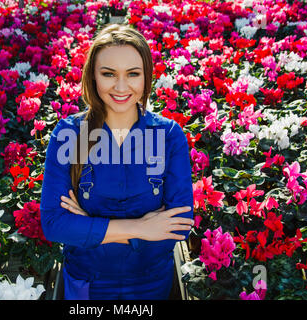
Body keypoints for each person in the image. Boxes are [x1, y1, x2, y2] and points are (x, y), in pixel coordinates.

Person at [40, 24, 194, 300]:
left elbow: (180, 223)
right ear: (93, 77)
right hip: (88, 282)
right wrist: (141, 228)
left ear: (146, 77)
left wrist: (90, 226)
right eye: (108, 74)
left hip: (151, 283)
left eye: (133, 74)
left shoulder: (169, 136)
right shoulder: (68, 135)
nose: (121, 87)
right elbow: (54, 224)